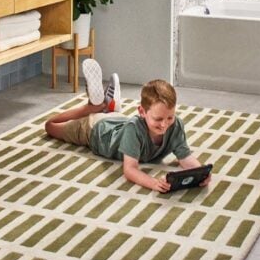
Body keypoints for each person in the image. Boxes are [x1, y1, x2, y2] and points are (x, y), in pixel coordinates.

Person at [44, 59, 210, 192]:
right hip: (95, 130)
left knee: (119, 119)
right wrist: (152, 183)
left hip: (119, 122)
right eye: (158, 119)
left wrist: (200, 172)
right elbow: (130, 170)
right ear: (142, 112)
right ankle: (93, 107)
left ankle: (108, 106)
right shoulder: (134, 129)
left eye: (170, 117)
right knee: (50, 126)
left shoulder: (176, 126)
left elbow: (185, 158)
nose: (165, 124)